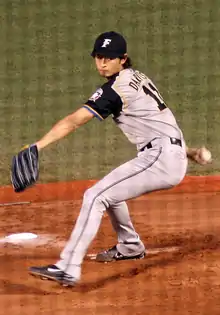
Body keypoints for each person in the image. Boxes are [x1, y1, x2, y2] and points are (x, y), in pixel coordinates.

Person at [29, 31, 210, 287]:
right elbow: (161, 121)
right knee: (110, 191)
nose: (102, 63)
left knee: (95, 196)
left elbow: (75, 120)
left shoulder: (116, 90)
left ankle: (68, 267)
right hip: (168, 154)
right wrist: (188, 152)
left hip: (160, 158)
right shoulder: (139, 78)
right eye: (98, 57)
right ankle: (130, 246)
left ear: (122, 59)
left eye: (109, 58)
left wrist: (38, 146)